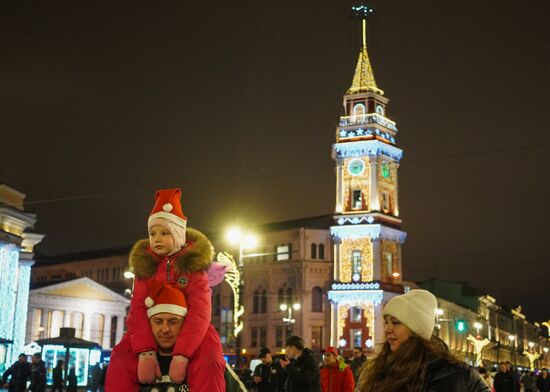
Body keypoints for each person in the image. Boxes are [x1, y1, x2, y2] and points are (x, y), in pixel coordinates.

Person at [112, 188, 225, 391]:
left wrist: (182, 354)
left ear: (178, 234)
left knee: (209, 358)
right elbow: (137, 309)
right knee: (120, 358)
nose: (157, 238)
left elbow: (200, 311)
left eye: (164, 233)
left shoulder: (193, 266)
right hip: (152, 327)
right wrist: (145, 352)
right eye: (153, 233)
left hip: (190, 328)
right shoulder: (144, 267)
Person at [106, 280, 247, 392]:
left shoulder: (209, 364)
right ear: (149, 323)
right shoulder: (131, 362)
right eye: (158, 321)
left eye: (173, 322)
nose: (165, 329)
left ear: (185, 323)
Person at [355, 289, 489, 392]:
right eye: (386, 322)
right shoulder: (375, 370)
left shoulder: (460, 374)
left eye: (395, 322)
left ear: (416, 330)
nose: (387, 329)